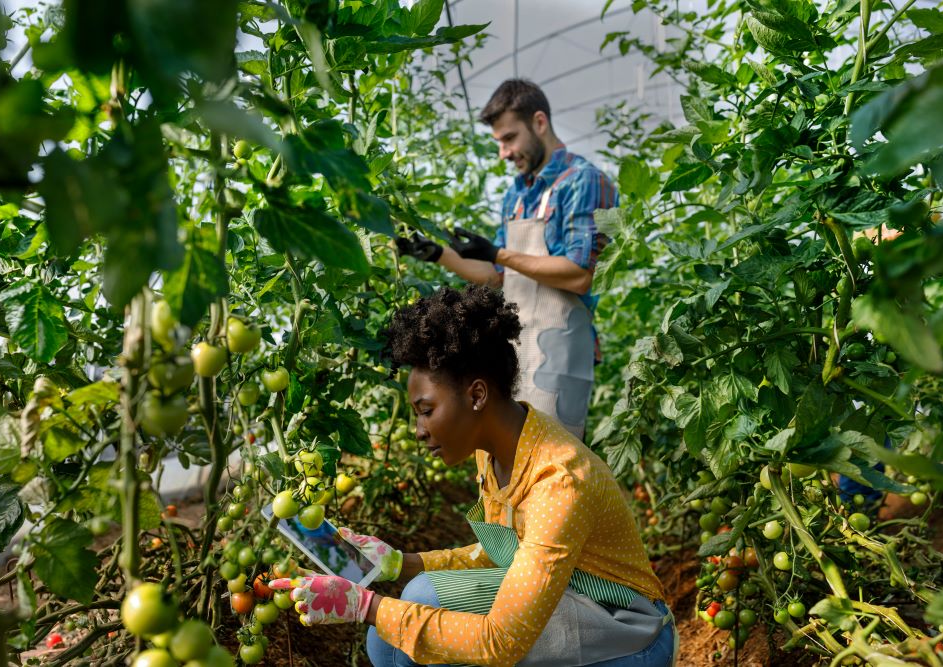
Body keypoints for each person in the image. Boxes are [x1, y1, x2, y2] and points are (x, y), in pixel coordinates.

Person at [271, 286, 675, 667]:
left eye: (426, 410)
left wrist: (366, 606)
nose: (419, 429)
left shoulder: (560, 479)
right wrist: (400, 563)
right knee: (389, 639)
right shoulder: (495, 454)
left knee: (414, 609)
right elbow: (508, 554)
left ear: (477, 395)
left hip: (630, 632)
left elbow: (499, 641)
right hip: (571, 595)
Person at [396, 79, 617, 439]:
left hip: (560, 348)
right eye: (499, 141)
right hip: (514, 347)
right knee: (507, 454)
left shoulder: (583, 181)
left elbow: (579, 275)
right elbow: (497, 275)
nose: (503, 152)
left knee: (549, 453)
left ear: (540, 123)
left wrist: (499, 253)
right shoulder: (516, 194)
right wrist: (439, 254)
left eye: (509, 138)